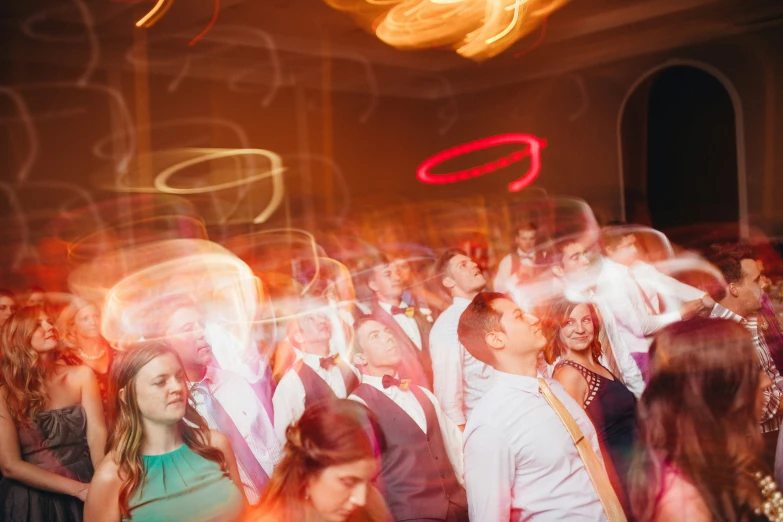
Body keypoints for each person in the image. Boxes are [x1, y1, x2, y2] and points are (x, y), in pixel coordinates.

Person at [459, 292, 623, 521]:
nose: (534, 319)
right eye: (519, 316)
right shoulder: (490, 425)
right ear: (496, 339)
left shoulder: (555, 389)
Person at [630, 318, 777, 522]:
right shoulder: (686, 509)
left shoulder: (729, 452)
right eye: (753, 372)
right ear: (719, 393)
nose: (766, 382)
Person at [85, 340, 245, 522]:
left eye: (179, 377)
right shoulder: (112, 476)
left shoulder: (215, 445)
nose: (177, 387)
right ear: (127, 397)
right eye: (160, 382)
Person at [149, 297, 282, 505]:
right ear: (166, 343)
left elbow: (271, 446)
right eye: (187, 328)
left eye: (201, 325)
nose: (201, 333)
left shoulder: (234, 381)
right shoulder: (172, 408)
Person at [349, 317, 468, 522]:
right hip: (409, 515)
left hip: (458, 509)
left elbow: (456, 449)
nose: (387, 338)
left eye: (387, 332)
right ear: (360, 358)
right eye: (375, 336)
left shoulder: (424, 394)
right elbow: (363, 478)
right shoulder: (358, 405)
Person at [0, 305, 106, 522]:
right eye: (38, 324)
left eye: (49, 321)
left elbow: (97, 432)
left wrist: (103, 482)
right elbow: (10, 466)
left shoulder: (82, 375)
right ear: (19, 337)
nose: (49, 327)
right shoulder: (5, 394)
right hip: (34, 497)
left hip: (87, 476)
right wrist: (78, 490)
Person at [544, 297, 638, 516]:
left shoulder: (596, 364)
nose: (580, 329)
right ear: (556, 328)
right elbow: (580, 444)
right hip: (619, 476)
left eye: (585, 320)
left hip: (638, 468)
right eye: (569, 322)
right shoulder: (568, 375)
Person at [251, 399, 392, 522]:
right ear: (306, 472)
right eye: (348, 482)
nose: (361, 499)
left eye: (369, 481)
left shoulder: (373, 507)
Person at [596, 231, 710, 382]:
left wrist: (702, 297)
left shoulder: (638, 267)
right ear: (610, 250)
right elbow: (638, 326)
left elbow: (666, 283)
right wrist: (679, 315)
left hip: (660, 345)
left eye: (633, 243)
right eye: (628, 246)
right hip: (638, 355)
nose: (635, 250)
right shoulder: (609, 282)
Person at [708, 243, 783, 466]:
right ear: (734, 288)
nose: (763, 286)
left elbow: (771, 374)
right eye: (756, 280)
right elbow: (753, 402)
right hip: (756, 445)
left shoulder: (748, 320)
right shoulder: (721, 334)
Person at [273, 299, 360, 442]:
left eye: (322, 315)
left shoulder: (349, 369)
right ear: (299, 336)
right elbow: (285, 441)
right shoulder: (291, 384)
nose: (321, 320)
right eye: (310, 318)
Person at [428, 249, 491, 428]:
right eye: (463, 265)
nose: (473, 265)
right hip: (487, 428)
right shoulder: (447, 327)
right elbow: (448, 402)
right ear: (448, 281)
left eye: (471, 262)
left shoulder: (495, 309)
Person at [365, 255, 433, 389]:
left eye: (397, 272)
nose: (397, 278)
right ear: (373, 284)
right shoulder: (373, 325)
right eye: (388, 274)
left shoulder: (419, 313)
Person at [57, 298, 117, 410]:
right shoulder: (67, 363)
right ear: (72, 326)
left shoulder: (116, 351)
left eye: (96, 316)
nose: (93, 322)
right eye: (85, 318)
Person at [493, 223, 546, 293]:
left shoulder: (545, 257)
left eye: (531, 238)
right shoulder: (508, 260)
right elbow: (498, 289)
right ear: (517, 239)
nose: (528, 242)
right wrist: (517, 276)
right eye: (524, 239)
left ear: (536, 238)